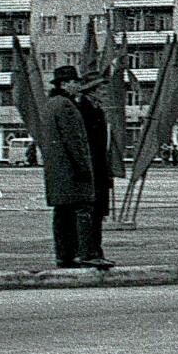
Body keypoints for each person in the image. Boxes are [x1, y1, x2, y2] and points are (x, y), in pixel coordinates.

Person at [42, 65, 110, 269]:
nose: (77, 86)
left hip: (57, 172)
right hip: (71, 171)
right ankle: (87, 253)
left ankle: (64, 255)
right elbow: (75, 141)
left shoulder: (51, 104)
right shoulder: (66, 106)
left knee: (62, 213)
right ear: (64, 84)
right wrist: (84, 168)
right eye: (74, 82)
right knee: (83, 210)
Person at [72, 72, 116, 265]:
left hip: (99, 170)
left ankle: (95, 251)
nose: (105, 93)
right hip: (90, 171)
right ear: (91, 91)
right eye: (101, 89)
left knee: (97, 214)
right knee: (90, 213)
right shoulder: (83, 111)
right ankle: (89, 253)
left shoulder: (97, 110)